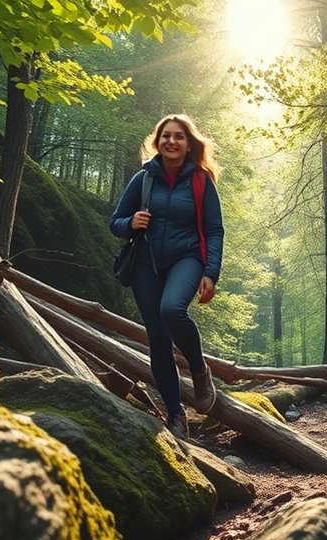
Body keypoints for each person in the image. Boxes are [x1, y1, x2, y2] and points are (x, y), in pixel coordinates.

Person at [109, 114, 223, 439]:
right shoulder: (144, 178)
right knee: (158, 340)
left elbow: (214, 230)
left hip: (186, 259)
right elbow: (115, 222)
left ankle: (199, 370)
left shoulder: (201, 180)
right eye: (165, 136)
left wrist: (210, 272)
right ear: (158, 141)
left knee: (171, 309)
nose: (171, 141)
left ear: (189, 144)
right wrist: (131, 223)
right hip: (145, 263)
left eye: (179, 136)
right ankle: (176, 415)